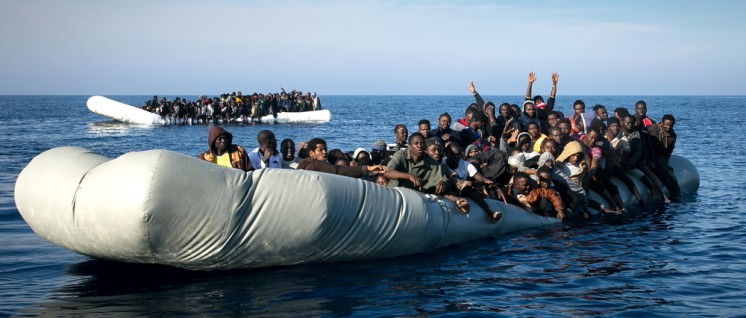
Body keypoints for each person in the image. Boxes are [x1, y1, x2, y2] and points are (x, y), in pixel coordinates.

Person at [384, 132, 448, 194]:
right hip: (395, 194)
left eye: (422, 143)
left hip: (415, 198)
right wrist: (408, 176)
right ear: (409, 147)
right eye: (416, 143)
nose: (419, 146)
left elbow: (441, 178)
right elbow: (387, 172)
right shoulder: (401, 155)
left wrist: (442, 182)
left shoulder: (432, 163)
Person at [297, 138, 388, 178]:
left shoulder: (302, 164)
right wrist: (367, 168)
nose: (324, 152)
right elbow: (338, 171)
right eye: (320, 150)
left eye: (325, 149)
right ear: (311, 153)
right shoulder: (316, 164)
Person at [646, 114, 681, 200]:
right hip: (648, 156)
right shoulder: (652, 129)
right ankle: (675, 191)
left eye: (671, 125)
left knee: (666, 171)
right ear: (662, 123)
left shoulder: (672, 136)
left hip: (660, 157)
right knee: (662, 171)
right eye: (666, 124)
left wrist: (665, 163)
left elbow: (668, 152)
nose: (668, 127)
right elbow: (645, 145)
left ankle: (675, 192)